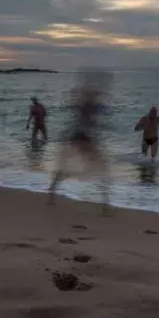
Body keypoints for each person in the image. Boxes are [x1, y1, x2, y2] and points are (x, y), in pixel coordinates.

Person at [49, 71, 112, 215]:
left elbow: (91, 103)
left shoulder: (88, 104)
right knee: (101, 169)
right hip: (82, 137)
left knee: (95, 169)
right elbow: (87, 103)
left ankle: (52, 191)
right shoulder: (86, 105)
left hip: (81, 137)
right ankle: (105, 204)